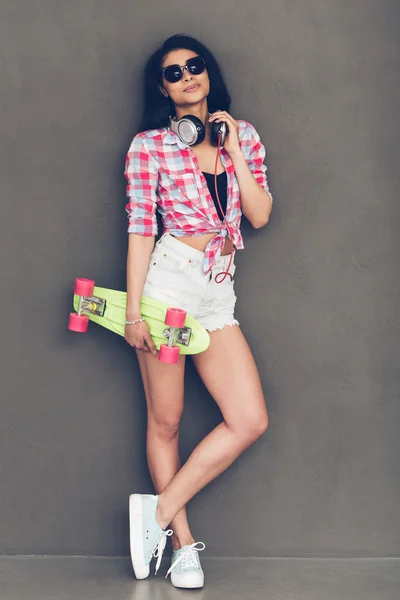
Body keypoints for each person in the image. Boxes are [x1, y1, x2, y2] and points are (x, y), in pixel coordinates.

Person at [124, 33, 273, 589]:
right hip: (169, 289)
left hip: (217, 290)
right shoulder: (150, 147)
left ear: (208, 73)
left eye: (195, 65)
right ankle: (183, 546)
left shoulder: (245, 136)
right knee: (167, 420)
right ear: (162, 88)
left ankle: (156, 514)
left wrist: (232, 148)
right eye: (173, 72)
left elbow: (258, 216)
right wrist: (135, 311)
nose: (188, 76)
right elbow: (141, 230)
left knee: (249, 419)